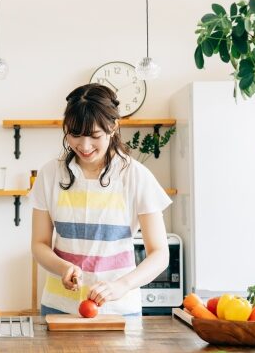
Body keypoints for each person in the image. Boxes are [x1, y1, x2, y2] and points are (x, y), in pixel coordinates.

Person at [30, 83, 171, 316]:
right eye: (75, 135)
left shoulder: (135, 175)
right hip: (59, 308)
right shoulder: (50, 175)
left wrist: (121, 286)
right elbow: (39, 244)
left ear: (113, 127)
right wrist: (63, 267)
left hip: (119, 310)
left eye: (94, 136)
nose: (84, 147)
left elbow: (159, 253)